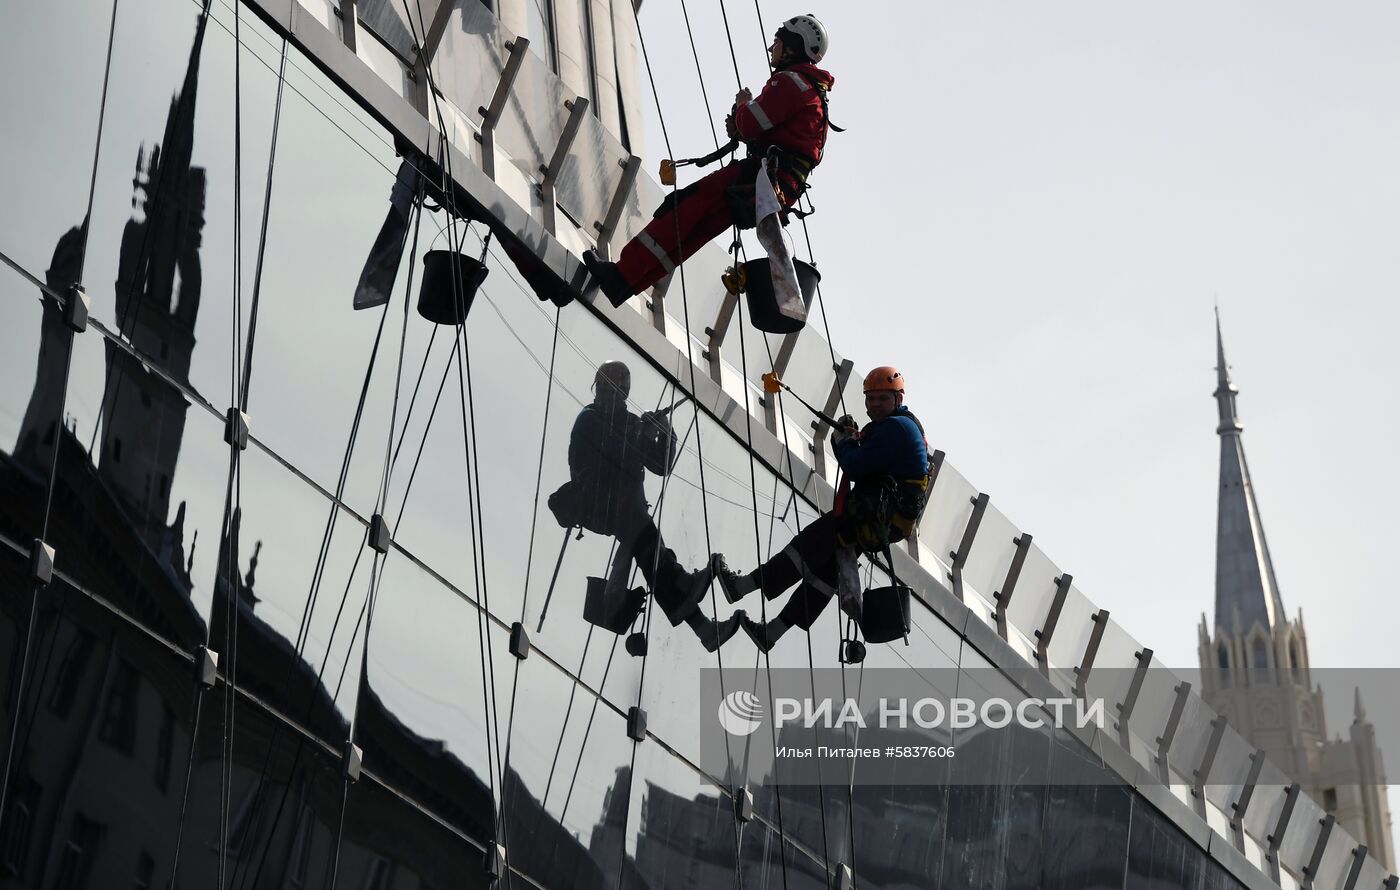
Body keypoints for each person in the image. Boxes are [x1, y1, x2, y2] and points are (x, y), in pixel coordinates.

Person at [581, 15, 834, 306]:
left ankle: (622, 275)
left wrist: (743, 105)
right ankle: (625, 283)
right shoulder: (812, 93)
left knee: (684, 211)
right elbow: (776, 137)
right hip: (771, 188)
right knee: (694, 230)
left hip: (758, 179)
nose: (771, 48)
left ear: (792, 46)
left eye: (777, 42)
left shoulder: (791, 83)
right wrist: (743, 128)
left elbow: (751, 122)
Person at [712, 366, 930, 651]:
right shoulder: (902, 427)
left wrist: (842, 442)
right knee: (825, 574)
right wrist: (850, 441)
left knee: (805, 548)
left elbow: (856, 465)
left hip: (866, 517)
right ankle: (771, 633)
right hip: (878, 521)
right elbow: (868, 461)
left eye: (882, 399)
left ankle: (740, 587)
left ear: (897, 399)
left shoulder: (896, 428)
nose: (875, 404)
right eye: (870, 398)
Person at [554, 361, 743, 651]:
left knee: (653, 557)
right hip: (602, 504)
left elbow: (660, 464)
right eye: (604, 389)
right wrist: (641, 434)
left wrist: (665, 433)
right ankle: (687, 589)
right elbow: (612, 454)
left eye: (613, 391)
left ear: (623, 393)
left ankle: (704, 628)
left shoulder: (629, 422)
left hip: (625, 508)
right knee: (653, 551)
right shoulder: (589, 420)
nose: (608, 396)